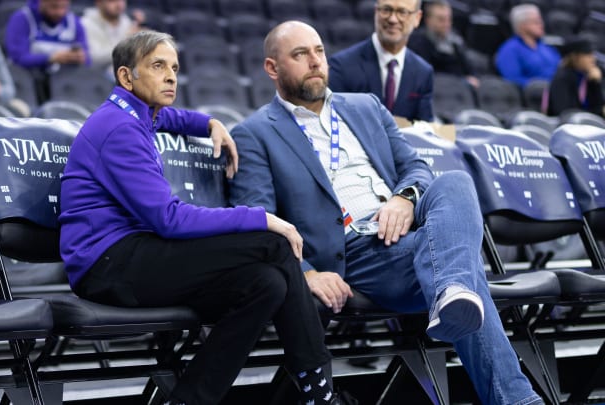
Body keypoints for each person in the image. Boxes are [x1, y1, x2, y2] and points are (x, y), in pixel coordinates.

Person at [228, 20, 544, 405]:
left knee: (455, 182)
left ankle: (451, 291)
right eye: (300, 55)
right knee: (464, 268)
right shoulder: (255, 132)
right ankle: (510, 385)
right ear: (272, 68)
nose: (315, 62)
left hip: (403, 227)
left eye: (319, 51)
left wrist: (405, 199)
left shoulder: (365, 106)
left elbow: (416, 169)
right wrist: (306, 273)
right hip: (355, 250)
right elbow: (259, 218)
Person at [59, 30, 341, 405]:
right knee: (273, 244)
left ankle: (190, 399)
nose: (171, 75)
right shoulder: (119, 130)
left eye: (174, 67)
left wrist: (208, 123)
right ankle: (319, 391)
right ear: (127, 77)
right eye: (158, 66)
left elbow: (167, 118)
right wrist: (263, 218)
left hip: (131, 255)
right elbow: (169, 220)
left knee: (266, 283)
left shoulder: (132, 114)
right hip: (108, 265)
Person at [328, 0, 434, 122]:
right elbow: (335, 123)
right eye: (386, 10)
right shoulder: (341, 66)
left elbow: (425, 130)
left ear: (417, 18)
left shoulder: (423, 72)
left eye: (402, 12)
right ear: (376, 12)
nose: (393, 19)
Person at [5, 0, 90, 102]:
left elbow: (88, 61)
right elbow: (17, 58)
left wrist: (80, 58)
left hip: (64, 88)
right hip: (29, 86)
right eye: (54, 7)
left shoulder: (74, 22)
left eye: (64, 7)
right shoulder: (22, 19)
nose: (60, 12)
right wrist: (50, 58)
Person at [408, 0, 479, 88]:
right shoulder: (418, 42)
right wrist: (461, 81)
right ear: (428, 20)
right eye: (441, 20)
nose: (447, 24)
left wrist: (472, 78)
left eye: (449, 19)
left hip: (460, 93)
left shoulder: (455, 40)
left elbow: (469, 69)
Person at [495, 4, 560, 88]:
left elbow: (560, 70)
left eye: (541, 21)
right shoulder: (509, 49)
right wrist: (542, 86)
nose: (542, 25)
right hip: (534, 95)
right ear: (522, 25)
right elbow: (512, 80)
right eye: (536, 22)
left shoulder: (547, 47)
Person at [547, 36, 604, 117]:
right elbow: (565, 113)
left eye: (593, 54)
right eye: (588, 55)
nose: (593, 59)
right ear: (575, 57)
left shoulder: (587, 76)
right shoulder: (562, 78)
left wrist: (595, 83)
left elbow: (598, 107)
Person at [81, 0, 145, 71]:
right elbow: (93, 59)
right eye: (112, 1)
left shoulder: (127, 21)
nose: (119, 4)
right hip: (98, 77)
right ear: (99, 2)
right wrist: (126, 41)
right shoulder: (85, 24)